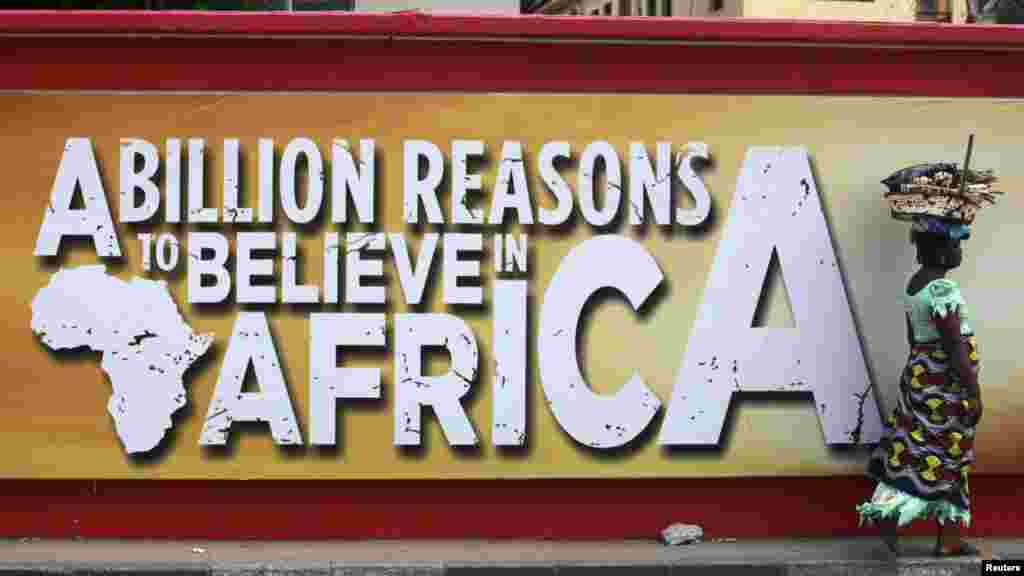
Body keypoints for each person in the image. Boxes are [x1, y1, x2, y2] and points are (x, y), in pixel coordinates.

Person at [856, 216, 983, 557]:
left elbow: (914, 338)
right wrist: (971, 391)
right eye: (956, 245)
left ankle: (946, 535)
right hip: (946, 384)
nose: (959, 251)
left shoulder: (915, 285)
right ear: (941, 253)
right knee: (950, 452)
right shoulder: (943, 290)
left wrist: (922, 371)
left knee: (917, 447)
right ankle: (907, 520)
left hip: (920, 376)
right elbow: (954, 343)